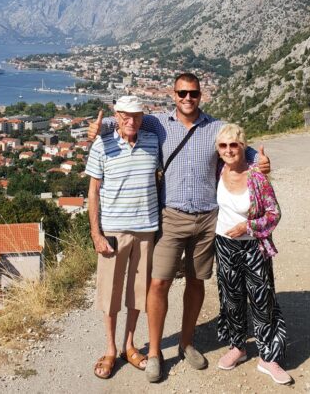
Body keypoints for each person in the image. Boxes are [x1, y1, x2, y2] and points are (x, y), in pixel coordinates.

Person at [87, 73, 271, 382]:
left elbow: (238, 145)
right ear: (174, 95)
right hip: (170, 216)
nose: (188, 99)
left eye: (193, 93)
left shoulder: (215, 127)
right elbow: (127, 121)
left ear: (201, 95)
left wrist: (258, 159)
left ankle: (186, 343)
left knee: (197, 282)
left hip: (207, 218)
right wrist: (100, 126)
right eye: (182, 93)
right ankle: (156, 352)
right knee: (158, 283)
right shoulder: (159, 124)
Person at [85, 95, 160, 379]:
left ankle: (129, 345)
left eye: (137, 116)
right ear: (116, 116)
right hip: (114, 230)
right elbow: (92, 191)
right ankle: (110, 348)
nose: (131, 121)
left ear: (143, 116)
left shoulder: (153, 141)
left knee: (137, 292)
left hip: (146, 228)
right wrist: (96, 233)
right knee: (110, 294)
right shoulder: (102, 145)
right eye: (125, 116)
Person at [214, 123, 291, 385]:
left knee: (263, 301)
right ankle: (237, 346)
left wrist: (248, 226)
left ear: (242, 146)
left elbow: (274, 214)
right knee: (231, 299)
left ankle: (269, 357)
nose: (228, 150)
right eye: (223, 146)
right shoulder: (217, 171)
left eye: (233, 145)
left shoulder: (256, 177)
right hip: (224, 245)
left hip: (254, 245)